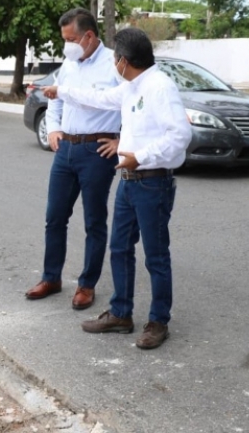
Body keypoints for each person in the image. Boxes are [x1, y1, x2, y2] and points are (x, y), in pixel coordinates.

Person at [41, 27, 192, 350]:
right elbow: (98, 98)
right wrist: (60, 91)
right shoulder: (131, 87)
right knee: (120, 248)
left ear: (124, 61)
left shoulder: (159, 87)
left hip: (153, 182)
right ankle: (121, 313)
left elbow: (180, 135)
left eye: (115, 60)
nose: (113, 65)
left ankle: (158, 321)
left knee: (156, 256)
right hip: (128, 181)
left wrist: (140, 157)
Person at [25, 8, 121, 311]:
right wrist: (54, 128)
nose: (66, 45)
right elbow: (55, 100)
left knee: (94, 221)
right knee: (55, 217)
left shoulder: (114, 64)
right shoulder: (69, 64)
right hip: (66, 149)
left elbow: (130, 104)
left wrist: (121, 141)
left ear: (88, 36)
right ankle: (51, 277)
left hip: (97, 151)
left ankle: (86, 284)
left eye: (70, 39)